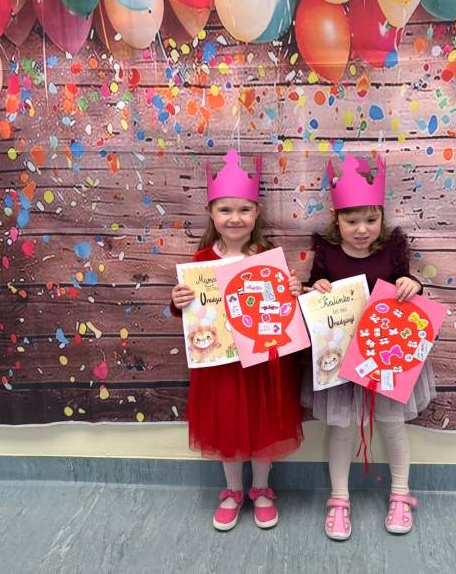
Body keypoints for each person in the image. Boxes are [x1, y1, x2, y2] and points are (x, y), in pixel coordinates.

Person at [171, 149, 304, 531]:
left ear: (256, 212)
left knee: (265, 424)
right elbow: (192, 311)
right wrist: (178, 301)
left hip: (262, 364)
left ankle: (261, 488)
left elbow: (284, 309)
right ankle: (232, 490)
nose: (235, 218)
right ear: (211, 212)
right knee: (227, 425)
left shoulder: (267, 256)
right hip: (221, 368)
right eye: (225, 210)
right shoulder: (200, 260)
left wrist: (293, 291)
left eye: (244, 210)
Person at [302, 154, 433, 540]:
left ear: (381, 217)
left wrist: (413, 284)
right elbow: (315, 291)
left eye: (370, 220)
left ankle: (400, 494)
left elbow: (406, 286)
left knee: (392, 423)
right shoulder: (328, 252)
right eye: (352, 221)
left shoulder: (391, 250)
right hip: (342, 356)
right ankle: (339, 499)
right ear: (336, 219)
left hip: (385, 354)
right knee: (341, 428)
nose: (362, 229)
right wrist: (317, 287)